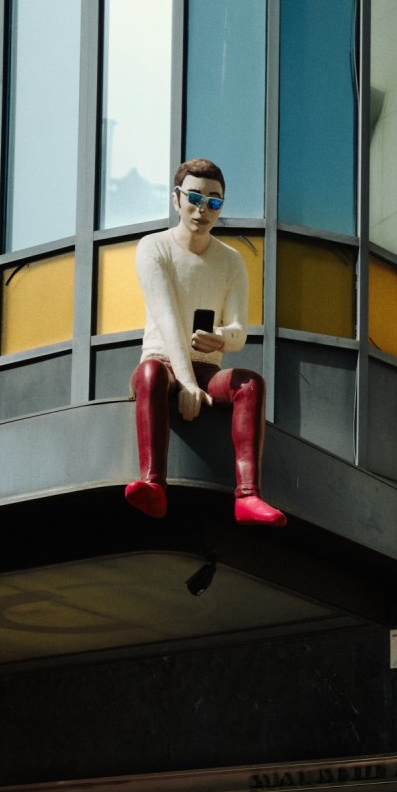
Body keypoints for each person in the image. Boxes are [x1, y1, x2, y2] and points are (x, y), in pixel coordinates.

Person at [125, 157, 285, 526]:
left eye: (213, 202)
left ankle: (248, 495)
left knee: (250, 383)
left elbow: (239, 330)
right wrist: (184, 382)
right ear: (176, 199)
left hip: (207, 369)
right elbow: (166, 319)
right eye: (194, 198)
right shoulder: (154, 247)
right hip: (164, 363)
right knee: (149, 373)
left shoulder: (231, 261)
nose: (202, 210)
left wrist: (221, 339)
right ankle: (153, 482)